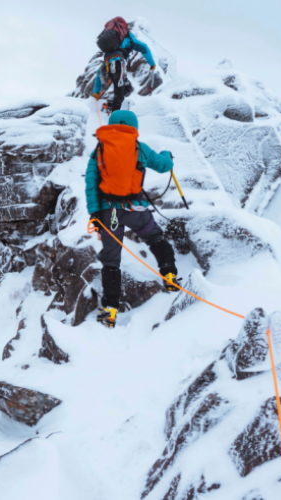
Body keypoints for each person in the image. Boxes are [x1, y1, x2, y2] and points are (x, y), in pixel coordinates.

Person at [85, 110, 179, 328]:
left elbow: (91, 184)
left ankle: (110, 310)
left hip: (109, 213)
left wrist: (95, 213)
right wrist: (167, 154)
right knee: (155, 238)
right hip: (136, 209)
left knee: (111, 260)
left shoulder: (99, 149)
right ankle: (170, 276)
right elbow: (164, 165)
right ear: (133, 125)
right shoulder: (140, 148)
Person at [91, 16, 157, 113]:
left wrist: (96, 91)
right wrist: (152, 64)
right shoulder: (128, 36)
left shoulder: (111, 41)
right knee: (120, 92)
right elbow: (143, 47)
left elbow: (99, 72)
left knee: (127, 87)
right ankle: (113, 117)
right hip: (119, 62)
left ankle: (110, 104)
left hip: (107, 63)